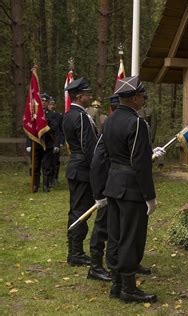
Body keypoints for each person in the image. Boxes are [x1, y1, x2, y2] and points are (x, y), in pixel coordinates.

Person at [100, 76, 164, 303]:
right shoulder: (137, 123)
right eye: (142, 96)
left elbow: (106, 156)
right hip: (131, 188)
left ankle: (117, 284)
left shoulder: (109, 120)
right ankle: (128, 289)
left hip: (114, 184)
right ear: (134, 98)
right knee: (131, 238)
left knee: (116, 236)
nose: (144, 100)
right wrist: (150, 196)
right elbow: (140, 163)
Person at [62, 78, 111, 280]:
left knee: (77, 209)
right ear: (79, 96)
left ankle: (75, 251)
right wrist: (98, 170)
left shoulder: (69, 115)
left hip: (76, 166)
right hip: (82, 169)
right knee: (80, 211)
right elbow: (88, 147)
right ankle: (75, 253)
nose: (89, 96)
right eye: (86, 94)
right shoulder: (81, 117)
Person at [26, 93, 58, 192]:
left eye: (45, 101)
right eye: (42, 101)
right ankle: (35, 185)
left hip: (47, 143)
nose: (43, 103)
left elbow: (54, 128)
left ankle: (46, 185)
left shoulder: (52, 114)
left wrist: (43, 126)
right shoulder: (33, 115)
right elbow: (29, 130)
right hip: (36, 144)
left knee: (47, 166)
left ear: (48, 103)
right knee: (35, 166)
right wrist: (28, 144)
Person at [45, 97, 64, 187]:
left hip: (56, 140)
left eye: (53, 104)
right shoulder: (45, 115)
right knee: (47, 162)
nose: (52, 106)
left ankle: (54, 178)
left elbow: (61, 130)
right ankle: (48, 180)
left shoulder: (59, 115)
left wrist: (61, 142)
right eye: (50, 104)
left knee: (55, 161)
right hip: (48, 141)